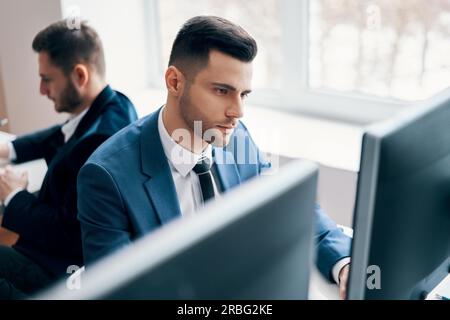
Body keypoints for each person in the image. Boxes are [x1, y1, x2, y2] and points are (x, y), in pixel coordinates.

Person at [77, 16, 351, 299]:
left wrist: (343, 263)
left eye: (244, 94)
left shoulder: (236, 137)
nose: (238, 111)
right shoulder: (105, 176)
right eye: (222, 91)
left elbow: (289, 207)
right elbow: (116, 293)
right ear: (174, 82)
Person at [0, 20, 138, 299]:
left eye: (47, 79)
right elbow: (60, 133)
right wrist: (8, 149)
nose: (41, 90)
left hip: (59, 270)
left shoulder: (97, 142)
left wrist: (14, 195)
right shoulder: (115, 104)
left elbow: (68, 234)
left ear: (80, 75)